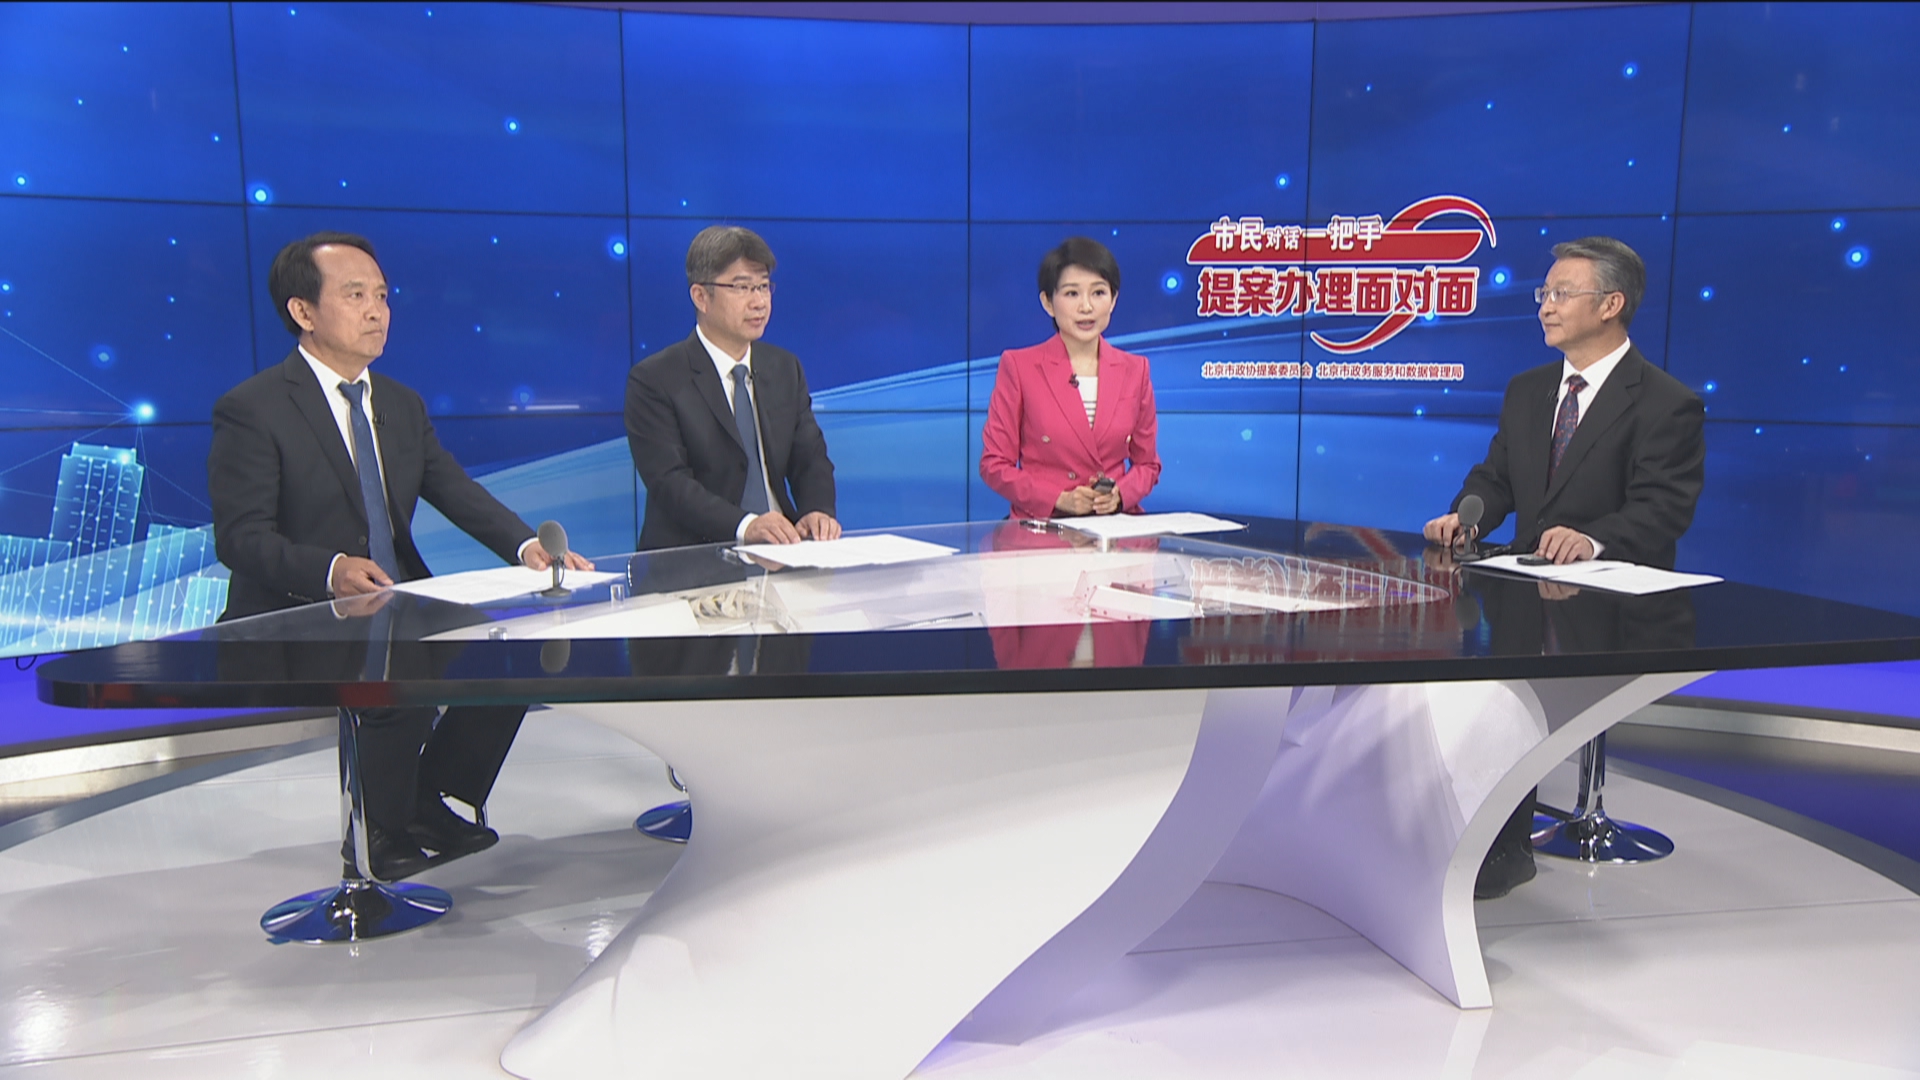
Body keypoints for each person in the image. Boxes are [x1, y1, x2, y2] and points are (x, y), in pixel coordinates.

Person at [208, 231, 592, 880]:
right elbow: (241, 539)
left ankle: (426, 799)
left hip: (399, 597)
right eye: (355, 295)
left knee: (515, 653)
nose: (376, 312)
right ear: (303, 311)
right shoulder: (253, 409)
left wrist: (526, 545)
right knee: (393, 671)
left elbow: (455, 490)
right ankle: (376, 833)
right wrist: (330, 570)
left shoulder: (400, 404)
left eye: (382, 296)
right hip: (297, 612)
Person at [1422, 235, 1706, 898]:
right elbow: (1496, 478)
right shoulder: (1528, 390)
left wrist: (1594, 539)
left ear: (1611, 304)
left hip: (1613, 604)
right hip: (1526, 595)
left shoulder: (1666, 402)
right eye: (1543, 293)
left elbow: (1664, 508)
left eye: (1561, 293)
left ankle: (1505, 849)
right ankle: (1467, 840)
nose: (1545, 306)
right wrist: (1466, 516)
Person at [626, 225, 838, 551]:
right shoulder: (655, 379)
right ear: (701, 297)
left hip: (783, 550)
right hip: (692, 557)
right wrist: (746, 525)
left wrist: (817, 510)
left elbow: (810, 458)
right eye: (742, 288)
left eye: (763, 286)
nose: (759, 302)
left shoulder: (784, 368)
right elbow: (670, 483)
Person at [980, 237, 1161, 519]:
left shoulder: (1135, 370)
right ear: (1048, 302)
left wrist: (1120, 495)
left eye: (1098, 293)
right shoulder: (1019, 366)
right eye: (1072, 294)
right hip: (1045, 525)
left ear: (1113, 300)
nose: (1086, 307)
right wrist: (1058, 498)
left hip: (1114, 526)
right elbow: (994, 464)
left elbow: (1148, 465)